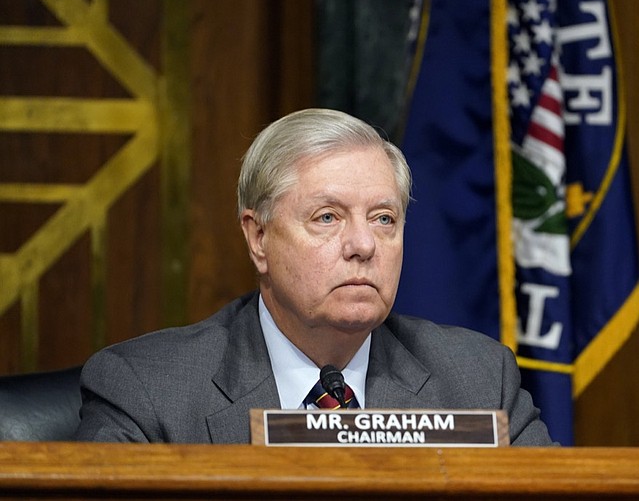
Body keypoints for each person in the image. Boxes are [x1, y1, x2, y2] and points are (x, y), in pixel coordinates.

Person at [75, 108, 554, 446]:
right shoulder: (147, 390)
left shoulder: (478, 380)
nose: (363, 245)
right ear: (258, 237)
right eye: (328, 217)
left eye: (384, 219)